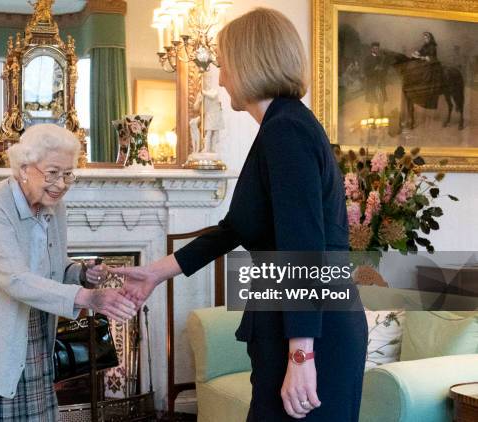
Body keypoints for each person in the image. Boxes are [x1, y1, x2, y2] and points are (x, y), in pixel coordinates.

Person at [113, 8, 367, 421]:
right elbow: (237, 228)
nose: (220, 73)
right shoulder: (280, 127)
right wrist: (156, 272)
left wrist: (301, 354)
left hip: (313, 330)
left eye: (224, 61)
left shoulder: (286, 130)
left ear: (250, 62)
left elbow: (303, 246)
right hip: (291, 323)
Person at [0, 124, 136, 420]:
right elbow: (14, 278)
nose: (60, 184)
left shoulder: (53, 206)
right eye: (52, 173)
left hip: (35, 331)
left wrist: (81, 274)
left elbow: (54, 267)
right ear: (24, 168)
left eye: (68, 174)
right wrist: (88, 297)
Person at [363, 42, 388, 117]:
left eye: (377, 48)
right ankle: (371, 117)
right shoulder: (367, 59)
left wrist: (382, 70)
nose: (376, 50)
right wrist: (374, 69)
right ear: (371, 49)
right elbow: (366, 72)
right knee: (372, 102)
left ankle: (381, 116)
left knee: (381, 101)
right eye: (374, 48)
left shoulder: (381, 58)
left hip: (380, 83)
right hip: (371, 83)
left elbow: (385, 71)